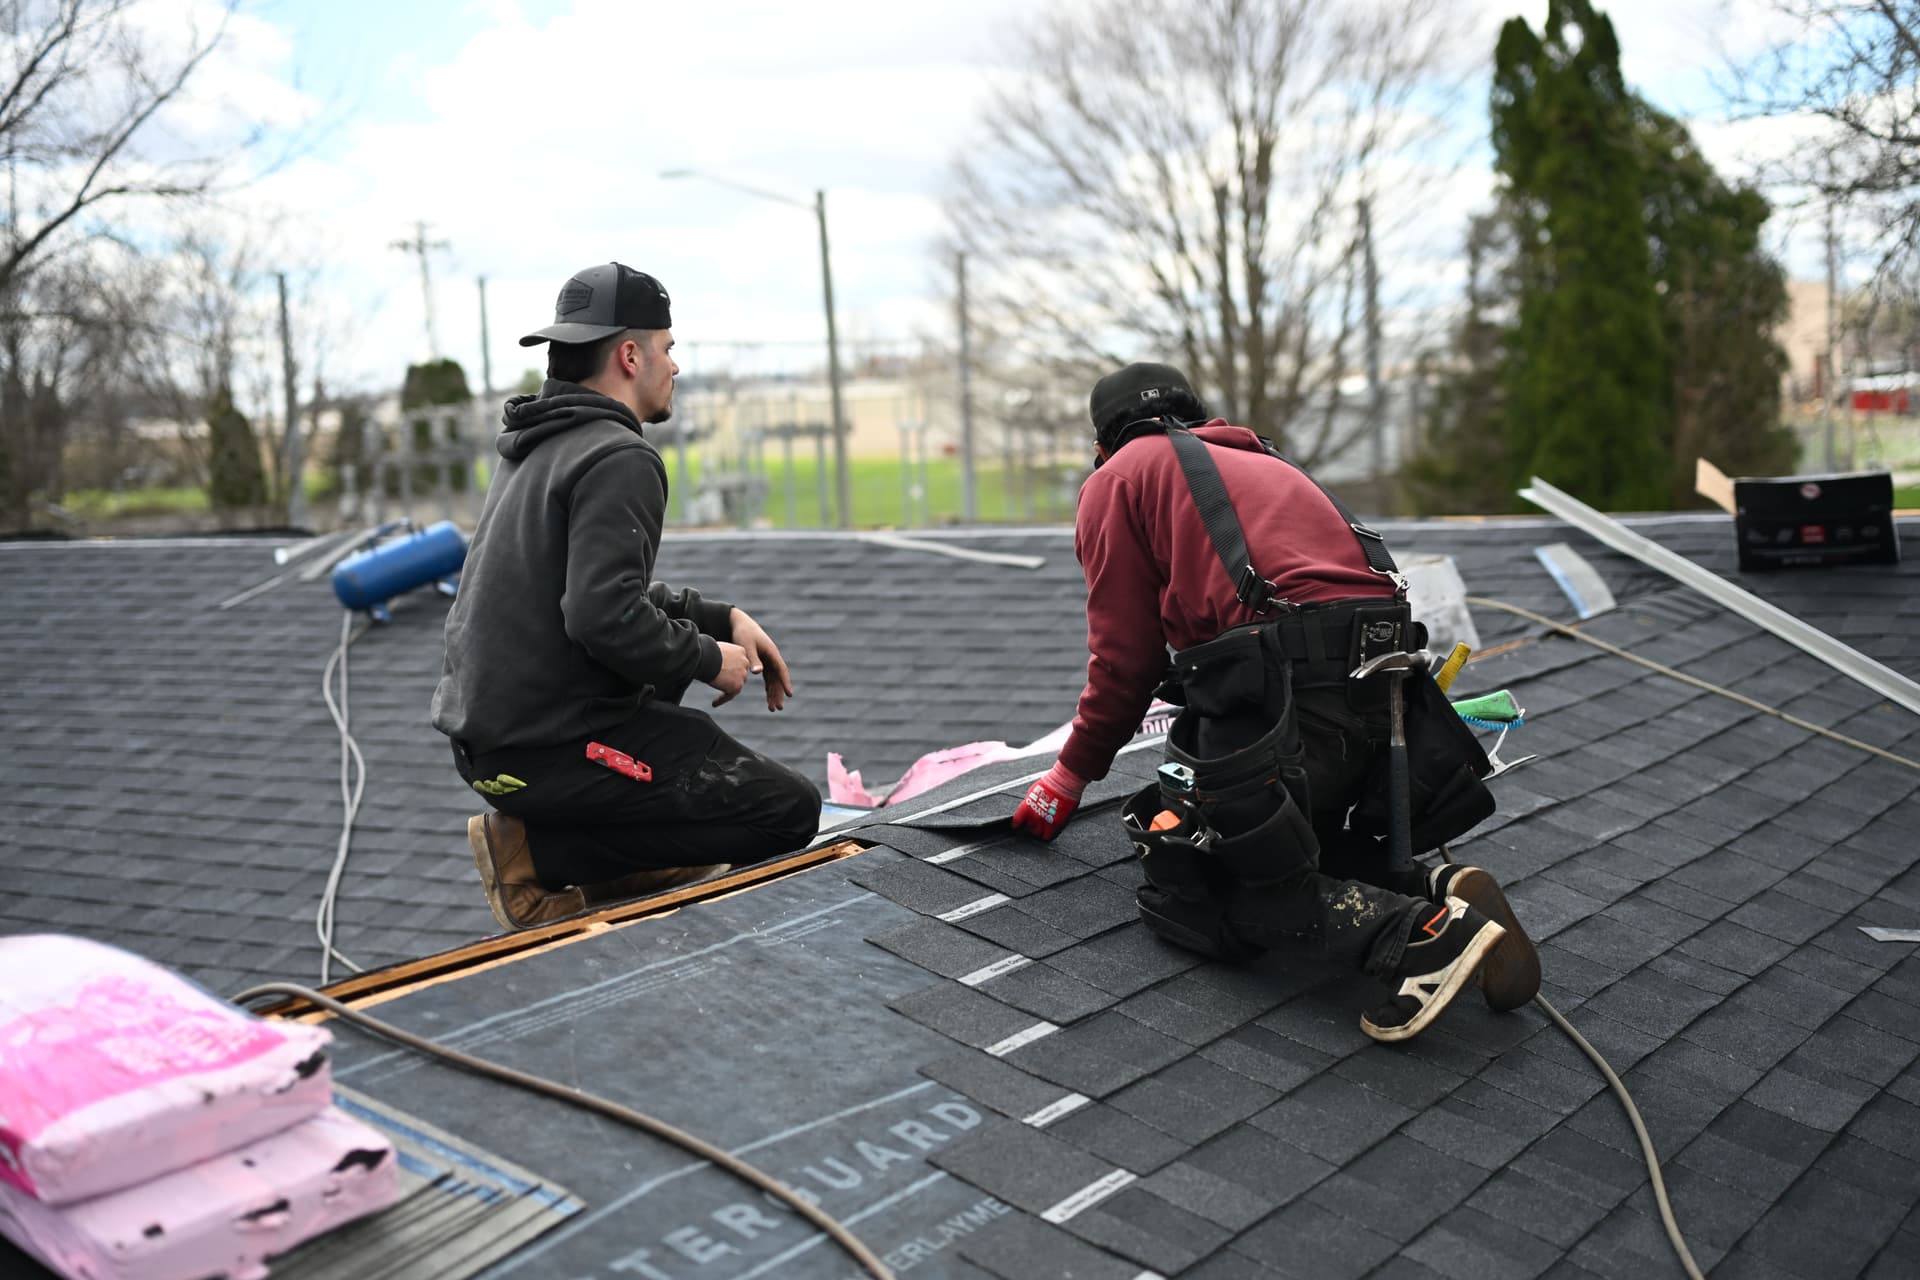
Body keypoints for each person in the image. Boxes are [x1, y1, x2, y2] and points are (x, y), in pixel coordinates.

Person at [1010, 362, 1539, 1042]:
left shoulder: (1118, 477)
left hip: (1284, 694)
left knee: (1205, 885)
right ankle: (1431, 889)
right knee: (1297, 844)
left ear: (1102, 443)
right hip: (1387, 693)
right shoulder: (1265, 461)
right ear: (1198, 415)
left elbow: (1126, 661)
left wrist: (1068, 775)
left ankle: (1418, 936)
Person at [432, 262, 821, 931]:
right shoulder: (619, 455)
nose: (676, 366)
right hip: (546, 754)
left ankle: (627, 862)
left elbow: (600, 592)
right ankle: (535, 853)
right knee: (785, 811)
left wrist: (718, 618)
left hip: (493, 750)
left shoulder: (538, 445)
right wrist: (709, 658)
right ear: (630, 354)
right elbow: (601, 614)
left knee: (663, 708)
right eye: (668, 349)